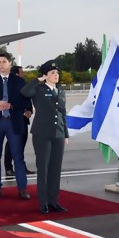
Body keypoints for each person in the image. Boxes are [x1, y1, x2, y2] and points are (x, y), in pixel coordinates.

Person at [20, 60, 69, 214]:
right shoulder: (38, 89)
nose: (56, 75)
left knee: (55, 169)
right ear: (45, 75)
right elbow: (24, 92)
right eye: (52, 73)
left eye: (57, 73)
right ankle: (43, 203)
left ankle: (53, 201)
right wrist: (37, 80)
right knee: (44, 169)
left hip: (58, 134)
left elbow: (62, 113)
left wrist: (66, 133)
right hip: (42, 134)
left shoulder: (60, 90)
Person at [0, 52, 30, 200]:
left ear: (10, 63)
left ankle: (22, 188)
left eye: (4, 62)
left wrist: (12, 105)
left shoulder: (19, 82)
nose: (1, 65)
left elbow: (26, 102)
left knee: (18, 156)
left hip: (13, 122)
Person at [4, 66, 35, 176]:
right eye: (22, 72)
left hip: (23, 119)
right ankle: (8, 168)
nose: (24, 74)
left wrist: (29, 110)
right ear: (16, 74)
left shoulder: (22, 83)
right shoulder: (8, 85)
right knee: (11, 144)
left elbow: (27, 98)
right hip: (13, 119)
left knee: (21, 143)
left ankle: (21, 167)